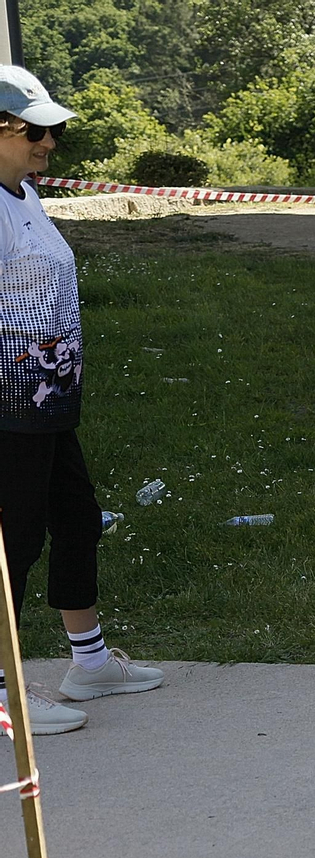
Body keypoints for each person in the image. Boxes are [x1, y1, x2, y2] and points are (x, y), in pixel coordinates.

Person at [0, 66, 165, 736]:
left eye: (56, 130)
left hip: (47, 398)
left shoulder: (23, 195)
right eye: (36, 130)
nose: (50, 143)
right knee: (12, 540)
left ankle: (89, 661)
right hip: (8, 403)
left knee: (77, 517)